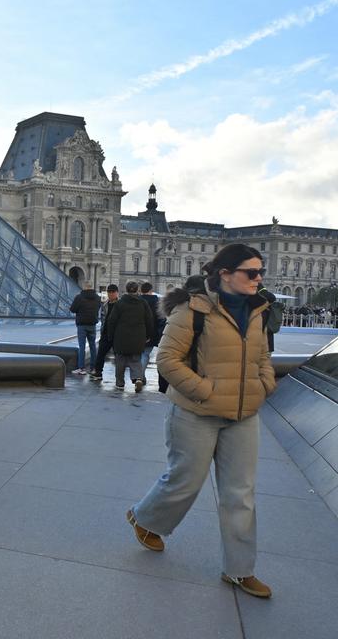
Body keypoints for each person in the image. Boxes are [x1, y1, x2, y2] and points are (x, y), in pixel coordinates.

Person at [127, 244, 275, 599]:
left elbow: (263, 356)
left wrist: (263, 386)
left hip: (243, 415)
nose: (258, 279)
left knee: (241, 494)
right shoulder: (191, 309)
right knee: (184, 482)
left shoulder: (258, 310)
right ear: (225, 274)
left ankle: (240, 570)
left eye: (260, 272)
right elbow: (167, 359)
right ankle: (145, 517)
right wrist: (204, 390)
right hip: (196, 412)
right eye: (250, 273)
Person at [105, 281, 156, 392]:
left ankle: (120, 383)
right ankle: (137, 378)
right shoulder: (143, 303)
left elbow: (111, 321)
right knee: (136, 359)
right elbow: (149, 320)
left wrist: (111, 336)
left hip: (120, 337)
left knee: (120, 360)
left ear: (126, 290)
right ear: (137, 290)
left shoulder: (120, 303)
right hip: (138, 337)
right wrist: (149, 335)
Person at [88, 285, 120, 382]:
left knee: (118, 356)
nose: (111, 294)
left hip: (117, 334)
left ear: (117, 293)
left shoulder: (120, 304)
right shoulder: (105, 304)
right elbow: (103, 319)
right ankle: (98, 372)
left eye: (113, 292)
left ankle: (119, 377)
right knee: (101, 354)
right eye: (109, 292)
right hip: (106, 333)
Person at [69, 284, 101, 375]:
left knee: (82, 346)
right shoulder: (97, 298)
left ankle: (81, 368)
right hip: (92, 324)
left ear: (84, 287)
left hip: (82, 324)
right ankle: (93, 368)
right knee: (93, 347)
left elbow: (73, 309)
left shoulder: (79, 297)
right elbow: (98, 307)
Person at [140, 281, 165, 369]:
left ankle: (140, 376)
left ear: (141, 290)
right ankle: (140, 376)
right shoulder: (157, 302)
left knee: (139, 354)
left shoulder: (138, 301)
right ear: (151, 290)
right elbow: (161, 319)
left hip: (137, 331)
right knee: (145, 354)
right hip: (152, 332)